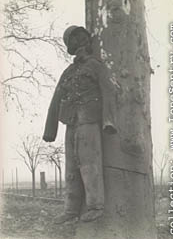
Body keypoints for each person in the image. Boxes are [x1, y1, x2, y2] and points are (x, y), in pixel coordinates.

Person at [43, 25, 117, 223]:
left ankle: (95, 206)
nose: (78, 42)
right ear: (70, 46)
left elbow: (108, 92)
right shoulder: (68, 72)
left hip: (89, 120)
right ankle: (71, 209)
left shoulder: (96, 66)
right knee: (71, 167)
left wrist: (108, 121)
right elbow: (55, 99)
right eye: (73, 39)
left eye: (81, 37)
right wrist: (50, 131)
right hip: (70, 122)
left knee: (89, 163)